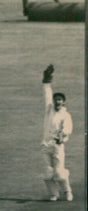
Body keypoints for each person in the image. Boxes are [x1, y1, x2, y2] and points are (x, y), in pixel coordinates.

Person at [40, 64, 73, 201]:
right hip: (45, 145)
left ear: (64, 102)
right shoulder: (49, 109)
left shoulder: (66, 115)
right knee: (48, 173)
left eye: (60, 100)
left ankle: (67, 191)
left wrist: (62, 137)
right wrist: (47, 81)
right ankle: (54, 193)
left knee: (59, 174)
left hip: (58, 147)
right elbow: (47, 94)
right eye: (56, 100)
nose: (57, 102)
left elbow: (67, 130)